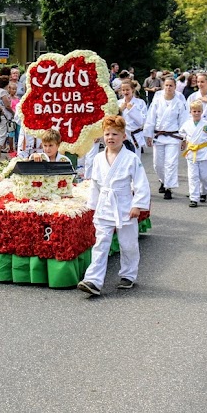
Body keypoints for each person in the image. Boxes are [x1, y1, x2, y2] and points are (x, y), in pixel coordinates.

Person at [77, 115, 152, 296]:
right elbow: (95, 184)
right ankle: (93, 280)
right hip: (104, 204)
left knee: (128, 244)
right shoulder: (97, 159)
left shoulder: (131, 158)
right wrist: (92, 206)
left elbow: (141, 183)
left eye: (115, 134)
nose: (111, 138)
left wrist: (138, 205)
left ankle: (128, 274)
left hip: (125, 204)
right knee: (101, 244)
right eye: (107, 134)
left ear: (124, 136)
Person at [144, 76, 187, 199]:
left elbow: (183, 121)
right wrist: (148, 135)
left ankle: (169, 187)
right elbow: (151, 118)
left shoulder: (179, 103)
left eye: (171, 85)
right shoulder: (157, 101)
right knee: (158, 164)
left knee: (171, 163)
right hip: (159, 136)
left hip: (173, 136)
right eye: (166, 85)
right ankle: (163, 180)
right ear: (163, 86)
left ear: (175, 87)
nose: (168, 88)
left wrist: (184, 138)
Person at [179, 100, 207, 207]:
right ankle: (194, 198)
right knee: (193, 176)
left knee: (205, 176)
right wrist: (184, 140)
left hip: (204, 153)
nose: (196, 113)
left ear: (202, 112)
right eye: (194, 111)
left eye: (198, 111)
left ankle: (204, 191)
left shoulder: (206, 125)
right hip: (191, 153)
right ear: (190, 112)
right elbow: (181, 133)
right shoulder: (187, 124)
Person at [117, 80, 147, 153]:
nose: (125, 92)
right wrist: (120, 110)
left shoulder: (140, 103)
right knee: (123, 160)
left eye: (127, 90)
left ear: (132, 90)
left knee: (135, 160)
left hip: (135, 135)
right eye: (123, 90)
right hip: (122, 135)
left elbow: (141, 122)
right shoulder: (118, 103)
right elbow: (114, 120)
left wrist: (132, 110)